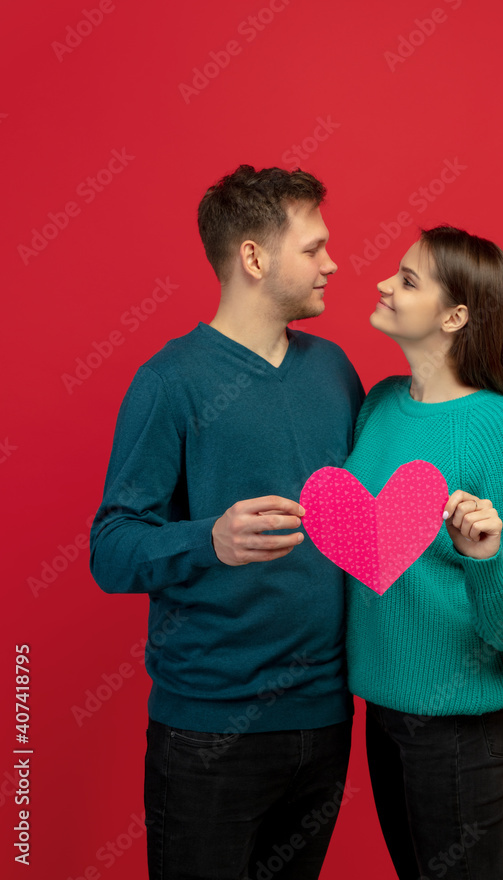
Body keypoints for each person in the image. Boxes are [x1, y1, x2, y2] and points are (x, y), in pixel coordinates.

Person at [89, 164, 365, 880]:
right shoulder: (171, 380)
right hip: (209, 733)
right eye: (313, 248)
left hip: (326, 721)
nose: (332, 263)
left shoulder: (334, 370)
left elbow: (362, 527)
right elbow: (111, 549)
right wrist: (206, 539)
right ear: (252, 257)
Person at [342, 224, 503, 880]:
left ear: (455, 315)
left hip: (456, 730)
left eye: (407, 280)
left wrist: (484, 557)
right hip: (378, 712)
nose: (383, 283)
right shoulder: (378, 405)